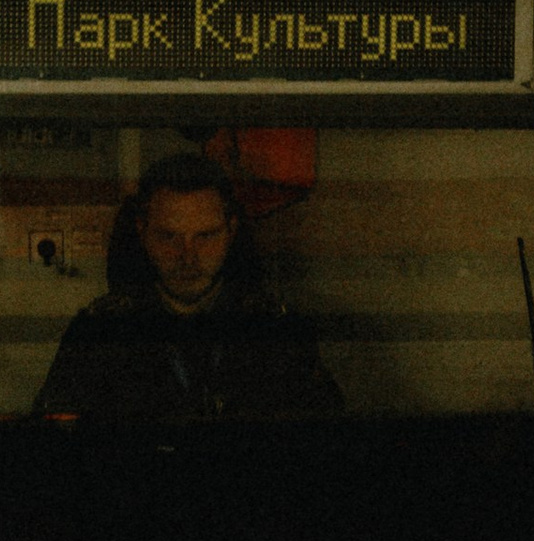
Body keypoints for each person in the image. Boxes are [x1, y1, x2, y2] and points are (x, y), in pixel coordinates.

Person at [33, 152, 344, 423]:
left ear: (231, 231)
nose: (187, 256)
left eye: (205, 236)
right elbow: (56, 440)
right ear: (143, 232)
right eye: (169, 237)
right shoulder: (99, 332)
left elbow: (319, 438)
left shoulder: (276, 331)